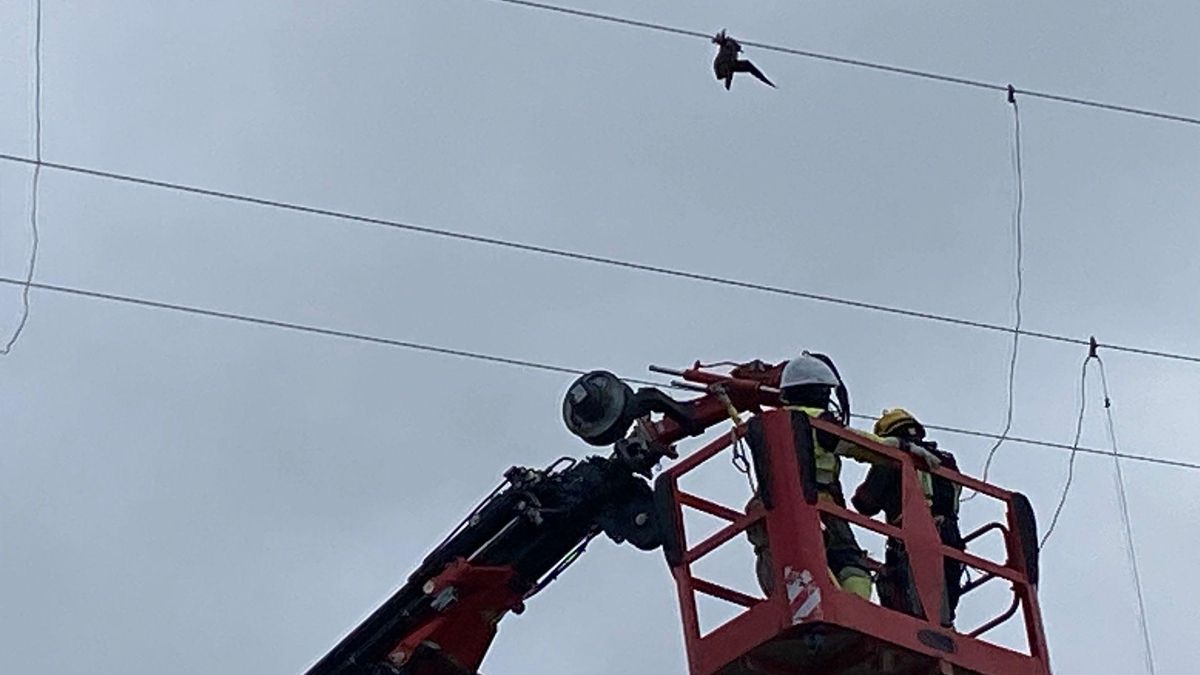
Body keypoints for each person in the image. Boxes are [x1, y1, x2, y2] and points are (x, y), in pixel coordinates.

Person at [746, 354, 939, 600]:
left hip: (770, 512)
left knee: (793, 566)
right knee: (852, 565)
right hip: (820, 507)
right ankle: (853, 609)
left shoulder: (765, 426)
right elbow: (861, 445)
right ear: (820, 392)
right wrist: (903, 448)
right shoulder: (818, 421)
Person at [852, 408, 965, 625]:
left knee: (911, 604)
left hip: (914, 539)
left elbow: (865, 504)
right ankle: (944, 628)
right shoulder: (946, 460)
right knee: (943, 603)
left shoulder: (894, 457)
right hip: (950, 536)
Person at [712, 30, 776, 90]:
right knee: (730, 66)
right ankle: (728, 79)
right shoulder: (726, 43)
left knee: (747, 65)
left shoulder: (733, 49)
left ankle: (766, 81)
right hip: (720, 65)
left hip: (728, 65)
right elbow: (721, 41)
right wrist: (720, 39)